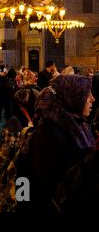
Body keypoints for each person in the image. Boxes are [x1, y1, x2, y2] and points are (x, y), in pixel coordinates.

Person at [17, 75, 97, 212]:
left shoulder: (75, 125)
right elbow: (43, 187)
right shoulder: (50, 132)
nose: (92, 99)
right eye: (87, 94)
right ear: (72, 96)